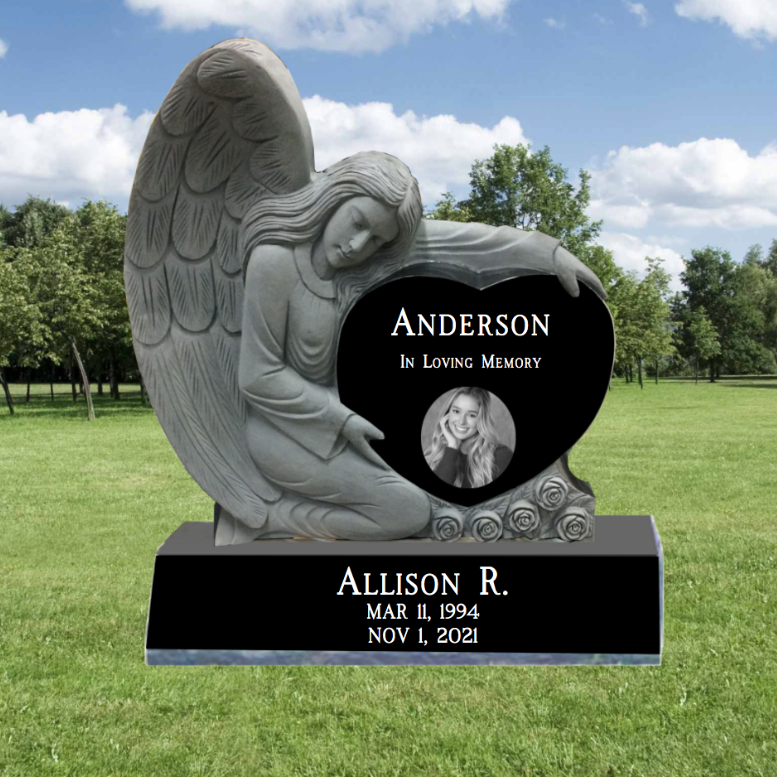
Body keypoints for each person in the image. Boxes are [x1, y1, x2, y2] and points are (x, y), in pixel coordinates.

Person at [238, 151, 432, 540]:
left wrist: (547, 252)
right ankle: (272, 521)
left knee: (434, 481)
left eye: (376, 239)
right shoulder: (275, 262)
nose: (357, 245)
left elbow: (452, 241)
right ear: (334, 198)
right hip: (286, 434)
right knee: (408, 509)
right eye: (357, 223)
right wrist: (339, 417)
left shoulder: (353, 278)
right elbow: (257, 375)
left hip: (347, 429)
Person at [425, 388, 513, 489]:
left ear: (482, 420)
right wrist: (452, 447)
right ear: (447, 414)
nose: (462, 421)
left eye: (471, 415)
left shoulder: (501, 455)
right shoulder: (432, 455)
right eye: (456, 411)